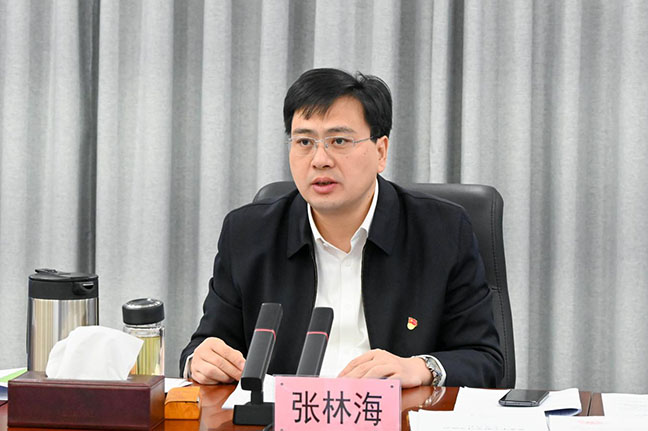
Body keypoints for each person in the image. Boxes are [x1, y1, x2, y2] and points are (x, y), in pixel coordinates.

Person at [180, 68, 503, 388]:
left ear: (381, 151)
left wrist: (420, 368)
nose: (320, 159)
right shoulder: (248, 232)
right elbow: (207, 345)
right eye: (304, 141)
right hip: (284, 414)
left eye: (339, 141)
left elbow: (484, 359)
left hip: (394, 412)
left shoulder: (441, 231)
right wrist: (200, 360)